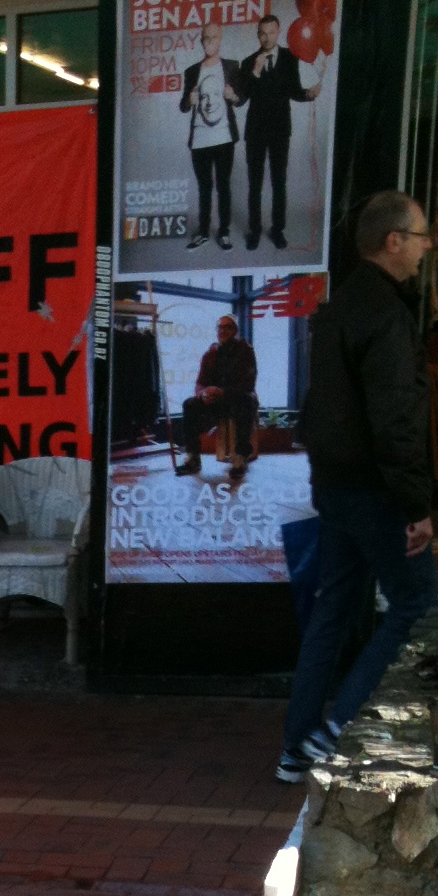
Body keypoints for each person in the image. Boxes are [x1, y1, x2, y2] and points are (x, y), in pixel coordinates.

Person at [277, 191, 437, 784]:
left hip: (336, 488)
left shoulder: (340, 306)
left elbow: (323, 408)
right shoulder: (387, 316)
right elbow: (395, 423)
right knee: (420, 604)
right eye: (421, 235)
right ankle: (338, 729)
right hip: (376, 492)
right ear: (392, 241)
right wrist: (419, 507)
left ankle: (296, 747)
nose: (427, 247)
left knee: (334, 610)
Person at [236, 12, 320, 253]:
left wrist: (307, 94)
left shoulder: (289, 58)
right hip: (255, 132)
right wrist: (255, 72)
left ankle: (277, 230)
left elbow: (293, 90)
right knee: (254, 184)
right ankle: (254, 230)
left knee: (279, 182)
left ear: (278, 31)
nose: (266, 37)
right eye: (262, 33)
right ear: (258, 35)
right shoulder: (249, 61)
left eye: (271, 32)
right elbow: (243, 97)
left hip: (281, 131)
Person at [181, 22, 242, 252]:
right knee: (204, 187)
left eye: (214, 38)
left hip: (224, 137)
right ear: (201, 41)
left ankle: (224, 231)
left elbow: (241, 99)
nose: (209, 42)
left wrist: (232, 95)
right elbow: (183, 107)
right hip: (200, 139)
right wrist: (189, 100)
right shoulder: (192, 72)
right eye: (206, 38)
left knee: (224, 186)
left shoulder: (231, 67)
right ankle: (203, 232)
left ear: (220, 40)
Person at [178, 316, 258, 481]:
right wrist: (203, 394)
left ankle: (241, 457)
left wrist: (222, 391)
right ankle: (193, 456)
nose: (222, 330)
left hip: (236, 397)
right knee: (190, 404)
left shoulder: (245, 350)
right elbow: (200, 382)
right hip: (216, 400)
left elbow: (248, 384)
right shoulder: (211, 353)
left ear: (235, 330)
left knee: (246, 402)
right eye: (220, 327)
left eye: (227, 327)